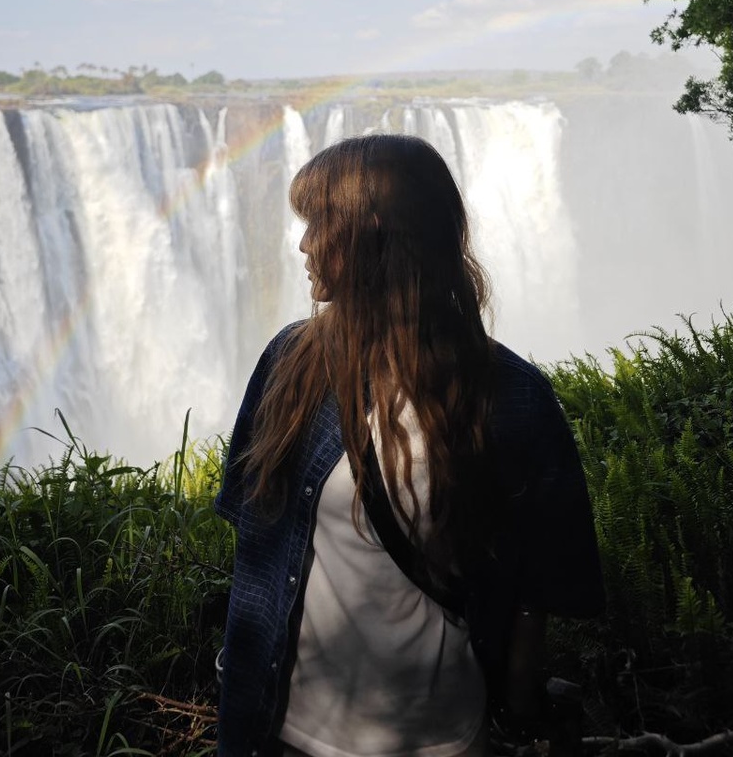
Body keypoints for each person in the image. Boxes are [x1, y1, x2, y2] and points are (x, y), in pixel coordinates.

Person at [215, 134, 604, 757]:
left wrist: (521, 695)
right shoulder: (290, 362)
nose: (304, 244)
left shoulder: (512, 398)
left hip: (440, 736)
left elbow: (545, 576)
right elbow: (252, 536)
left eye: (319, 223)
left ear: (373, 236)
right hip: (280, 729)